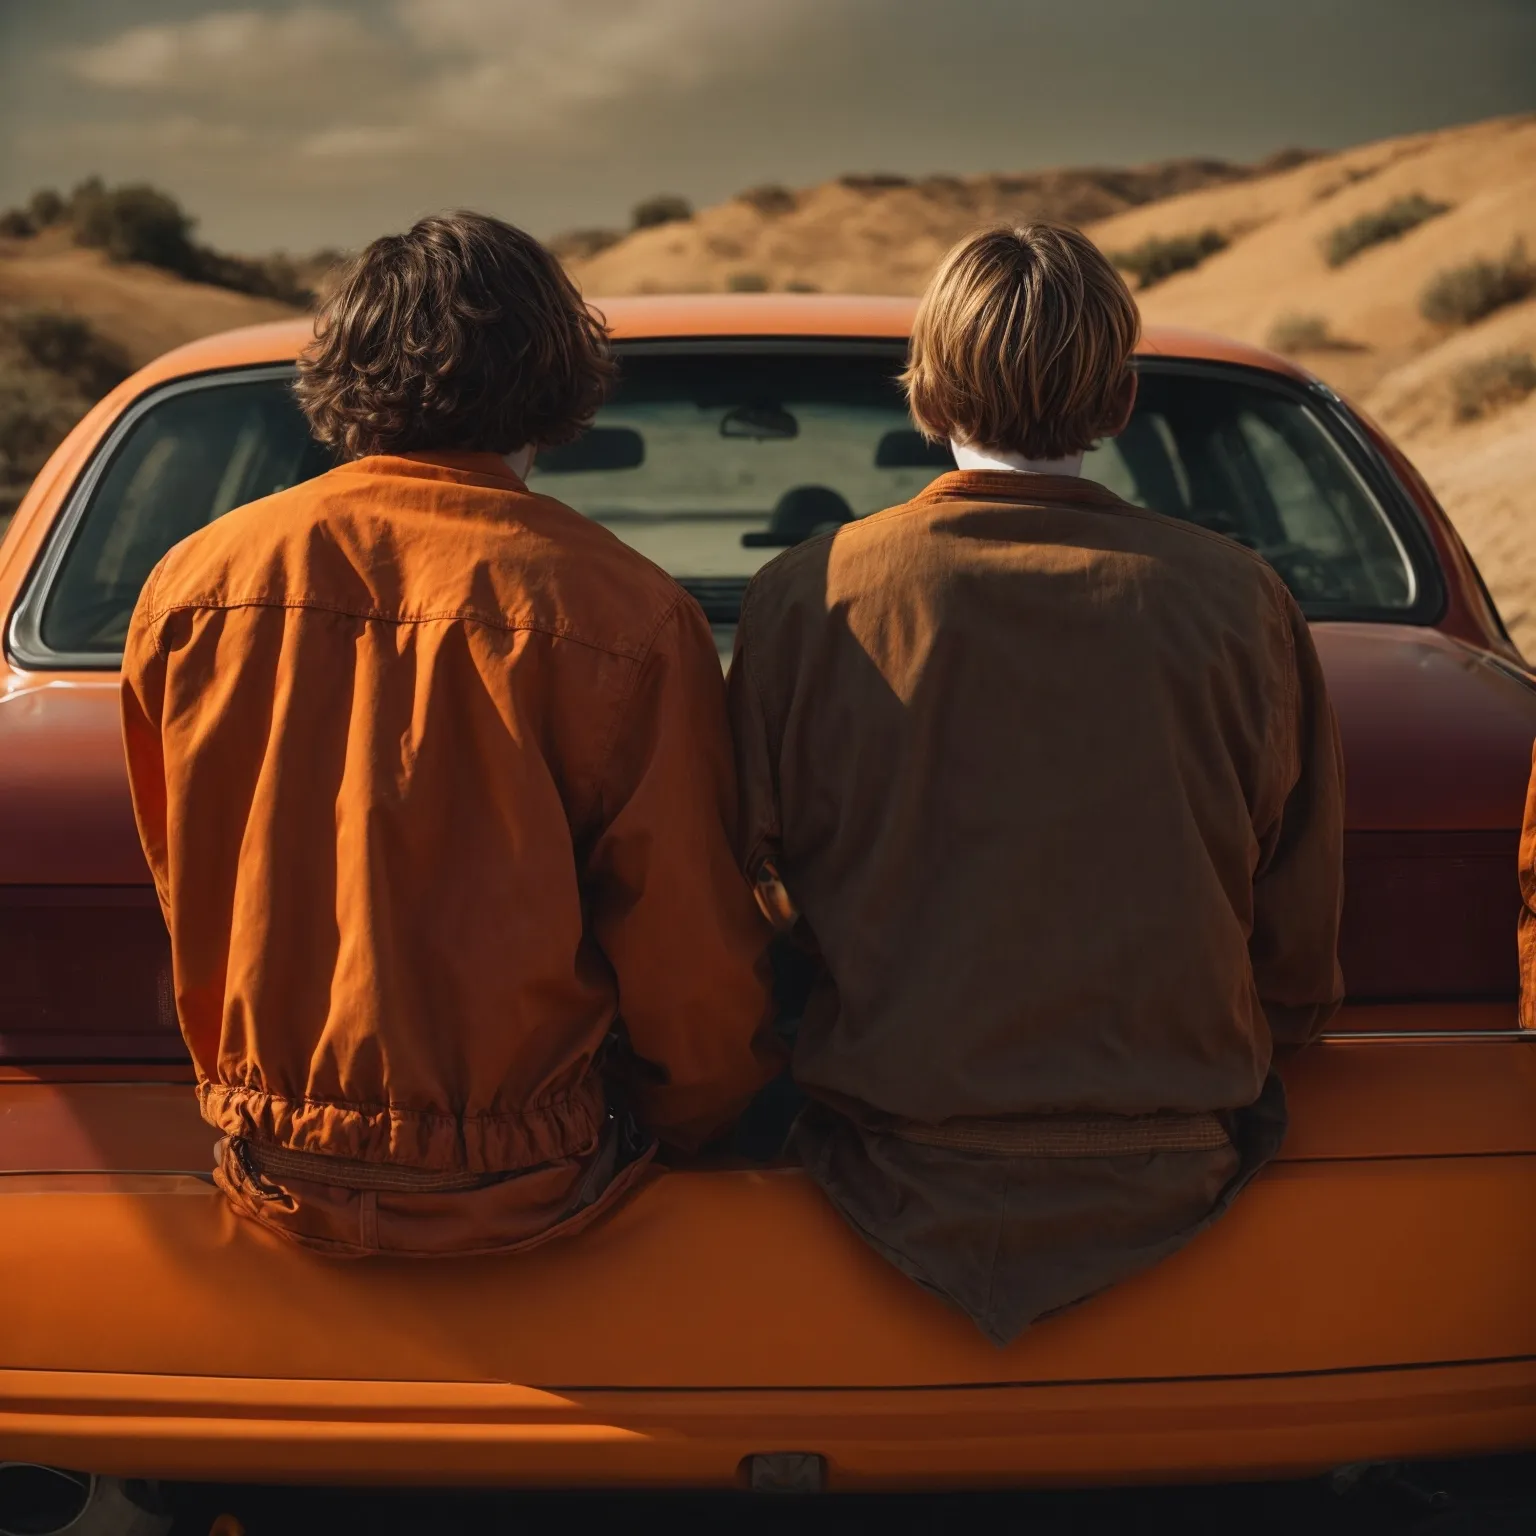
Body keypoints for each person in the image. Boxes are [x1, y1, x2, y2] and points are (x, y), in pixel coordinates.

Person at [728, 223, 1345, 1344]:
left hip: (883, 1154)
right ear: (1122, 400)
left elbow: (744, 890)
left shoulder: (807, 596)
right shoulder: (1241, 599)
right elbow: (1294, 926)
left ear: (925, 393)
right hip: (1183, 1150)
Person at [120, 212, 778, 1257]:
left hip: (268, 1166)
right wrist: (703, 1123)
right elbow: (686, 960)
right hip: (533, 1176)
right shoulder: (629, 616)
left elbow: (188, 884)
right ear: (554, 377)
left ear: (343, 366)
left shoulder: (190, 589)